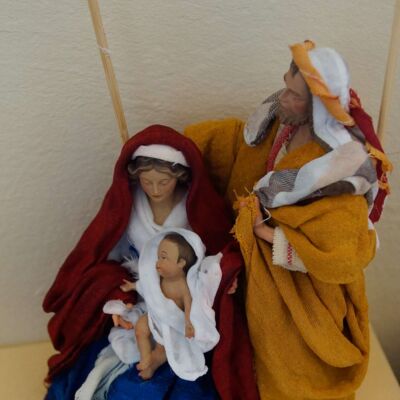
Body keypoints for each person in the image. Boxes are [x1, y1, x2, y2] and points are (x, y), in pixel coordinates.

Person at [184, 41, 391, 400]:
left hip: (302, 293)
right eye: (286, 83)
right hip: (254, 273)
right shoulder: (282, 126)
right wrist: (183, 145)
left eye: (294, 95)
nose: (283, 96)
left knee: (288, 362)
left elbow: (340, 257)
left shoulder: (339, 177)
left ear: (317, 108)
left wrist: (264, 232)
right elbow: (240, 147)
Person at [43, 125, 259, 400]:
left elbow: (217, 248)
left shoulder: (194, 207)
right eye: (147, 182)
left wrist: (222, 276)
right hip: (144, 294)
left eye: (163, 182)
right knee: (127, 346)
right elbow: (109, 254)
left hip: (183, 295)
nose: (155, 190)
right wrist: (119, 295)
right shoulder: (130, 206)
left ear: (179, 176)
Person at [124, 232, 199, 379]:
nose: (158, 262)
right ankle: (145, 357)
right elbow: (149, 286)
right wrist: (133, 286)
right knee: (140, 328)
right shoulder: (159, 278)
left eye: (164, 258)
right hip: (155, 315)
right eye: (158, 257)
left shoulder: (183, 286)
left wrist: (188, 323)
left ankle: (151, 366)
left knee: (162, 350)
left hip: (171, 325)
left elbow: (189, 305)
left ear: (181, 263)